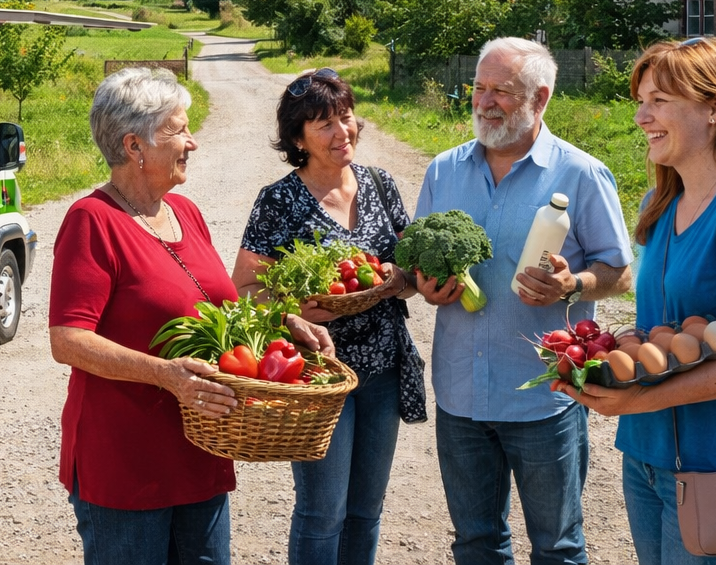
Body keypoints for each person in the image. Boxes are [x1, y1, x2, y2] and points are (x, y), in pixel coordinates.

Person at [50, 67, 335, 565]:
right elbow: (68, 338)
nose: (193, 142)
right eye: (178, 130)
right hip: (126, 464)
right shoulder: (91, 221)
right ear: (134, 146)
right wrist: (166, 374)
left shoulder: (186, 212)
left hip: (200, 451)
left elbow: (216, 306)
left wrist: (279, 321)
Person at [558, 37, 716, 565]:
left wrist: (638, 398)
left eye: (659, 101)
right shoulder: (661, 201)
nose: (640, 117)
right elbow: (667, 326)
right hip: (650, 455)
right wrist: (617, 351)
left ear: (715, 108)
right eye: (640, 101)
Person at [415, 37, 633, 565]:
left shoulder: (581, 174)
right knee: (475, 544)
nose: (484, 102)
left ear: (542, 96)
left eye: (502, 92)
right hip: (460, 395)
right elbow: (414, 257)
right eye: (479, 88)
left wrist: (573, 285)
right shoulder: (443, 170)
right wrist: (420, 284)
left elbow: (620, 273)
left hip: (542, 397)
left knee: (557, 548)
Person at [231, 68, 423, 565]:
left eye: (346, 117)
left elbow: (409, 268)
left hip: (381, 369)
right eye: (324, 124)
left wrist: (396, 282)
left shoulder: (380, 184)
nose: (343, 132)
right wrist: (293, 309)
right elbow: (246, 288)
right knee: (322, 512)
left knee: (366, 509)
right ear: (298, 138)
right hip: (319, 375)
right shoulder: (279, 200)